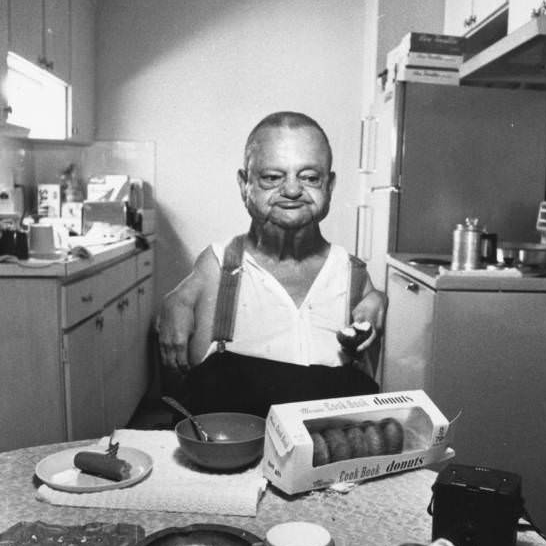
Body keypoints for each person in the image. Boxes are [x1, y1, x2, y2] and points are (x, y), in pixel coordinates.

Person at [156, 111, 387, 418]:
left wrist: (378, 298)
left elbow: (373, 316)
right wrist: (178, 301)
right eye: (271, 177)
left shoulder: (353, 276)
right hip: (231, 462)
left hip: (325, 462)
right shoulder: (221, 267)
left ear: (329, 186)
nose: (292, 191)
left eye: (309, 177)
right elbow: (180, 299)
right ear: (244, 184)